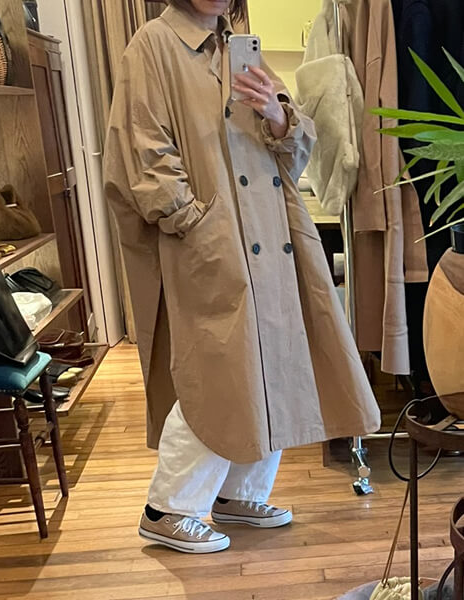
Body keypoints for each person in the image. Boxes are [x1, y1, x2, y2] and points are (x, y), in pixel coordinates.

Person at [104, 0, 380, 554]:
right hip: (210, 241)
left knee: (269, 362)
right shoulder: (153, 45)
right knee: (214, 370)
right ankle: (168, 507)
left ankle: (239, 493)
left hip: (273, 237)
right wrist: (197, 224)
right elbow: (144, 152)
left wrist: (278, 115)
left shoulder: (238, 48)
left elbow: (292, 150)